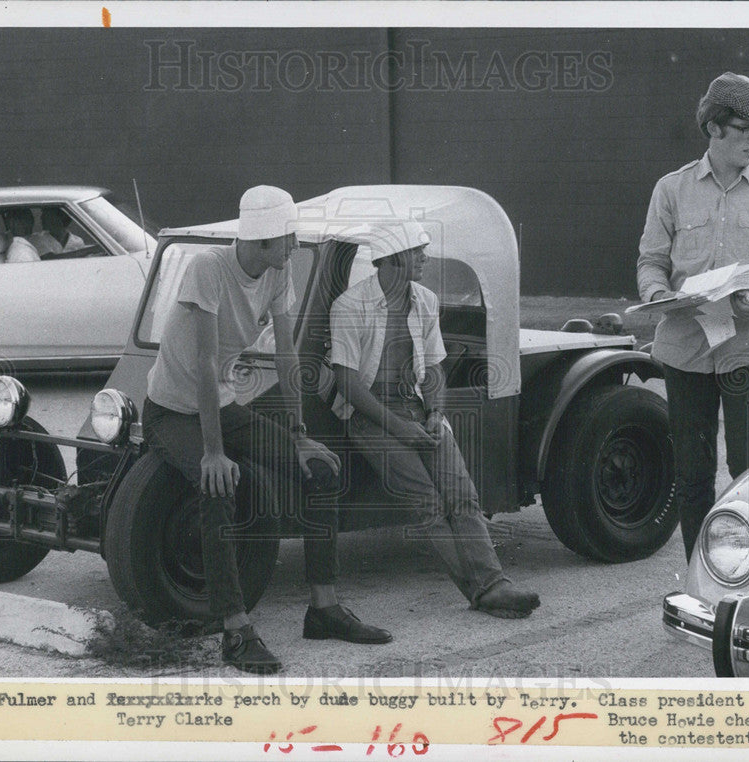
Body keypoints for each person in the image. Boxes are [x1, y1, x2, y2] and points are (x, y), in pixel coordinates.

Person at [142, 185, 391, 675]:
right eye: (289, 238)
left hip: (221, 402)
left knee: (320, 471)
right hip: (171, 411)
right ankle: (235, 631)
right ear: (264, 240)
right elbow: (205, 362)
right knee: (219, 487)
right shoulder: (208, 270)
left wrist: (298, 434)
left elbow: (285, 353)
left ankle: (323, 609)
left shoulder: (277, 274)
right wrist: (213, 453)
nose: (295, 247)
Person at [329, 220, 541, 619]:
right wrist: (400, 427)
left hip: (417, 411)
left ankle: (493, 584)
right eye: (416, 251)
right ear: (391, 259)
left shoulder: (424, 299)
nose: (425, 257)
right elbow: (347, 384)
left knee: (464, 495)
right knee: (427, 504)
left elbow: (435, 367)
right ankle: (484, 590)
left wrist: (435, 413)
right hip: (369, 418)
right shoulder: (350, 306)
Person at [637, 72, 749, 561]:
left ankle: (748, 575)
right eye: (746, 128)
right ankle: (699, 578)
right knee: (692, 474)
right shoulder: (671, 189)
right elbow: (650, 261)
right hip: (685, 349)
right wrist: (658, 295)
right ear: (714, 126)